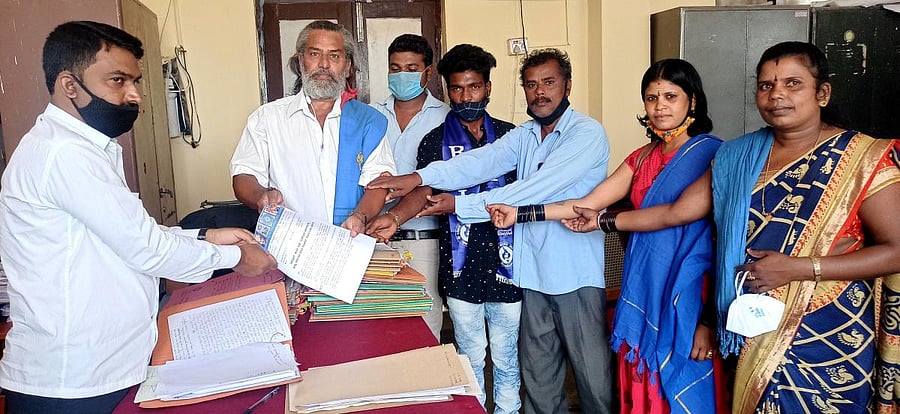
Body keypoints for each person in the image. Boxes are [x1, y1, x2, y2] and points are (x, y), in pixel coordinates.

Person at [591, 42, 900, 413]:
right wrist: (598, 220)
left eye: (793, 83)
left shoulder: (863, 158)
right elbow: (691, 224)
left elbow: (896, 250)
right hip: (748, 325)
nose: (777, 95)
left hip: (828, 333)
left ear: (822, 93)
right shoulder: (736, 156)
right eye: (766, 85)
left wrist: (801, 267)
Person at [0, 21, 277, 413]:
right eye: (117, 81)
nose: (135, 96)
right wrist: (237, 258)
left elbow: (129, 234)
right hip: (72, 381)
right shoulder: (63, 154)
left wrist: (208, 238)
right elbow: (147, 249)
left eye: (136, 81)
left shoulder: (89, 149)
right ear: (69, 85)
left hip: (107, 364)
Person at [368, 48, 613, 413]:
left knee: (591, 379)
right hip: (530, 274)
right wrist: (419, 177)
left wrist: (459, 205)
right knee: (540, 377)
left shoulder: (586, 133)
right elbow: (480, 162)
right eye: (531, 85)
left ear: (568, 86)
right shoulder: (526, 135)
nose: (539, 92)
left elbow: (533, 190)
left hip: (571, 274)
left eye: (548, 82)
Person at [488, 59, 728, 413]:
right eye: (651, 97)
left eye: (670, 97)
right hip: (645, 279)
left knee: (682, 372)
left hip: (689, 286)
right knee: (642, 373)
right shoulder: (642, 157)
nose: (660, 106)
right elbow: (587, 203)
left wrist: (605, 222)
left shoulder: (713, 154)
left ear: (692, 101)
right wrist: (520, 213)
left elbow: (673, 215)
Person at [367, 44, 521, 413]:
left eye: (474, 87)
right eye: (456, 89)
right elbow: (423, 190)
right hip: (460, 265)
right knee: (468, 351)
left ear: (488, 87)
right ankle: (474, 407)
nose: (466, 96)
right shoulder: (434, 141)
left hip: (509, 264)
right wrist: (396, 217)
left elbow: (525, 194)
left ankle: (508, 408)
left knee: (506, 353)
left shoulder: (514, 136)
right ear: (446, 90)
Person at [231, 20, 395, 235]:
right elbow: (244, 175)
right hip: (285, 245)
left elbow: (379, 184)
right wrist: (262, 195)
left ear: (347, 67)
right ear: (301, 61)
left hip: (350, 241)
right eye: (315, 54)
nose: (324, 64)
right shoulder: (267, 118)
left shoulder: (368, 121)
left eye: (334, 56)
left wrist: (359, 216)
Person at [370, 34, 450, 340]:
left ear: (428, 72)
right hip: (375, 240)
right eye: (395, 67)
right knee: (380, 326)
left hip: (424, 239)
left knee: (424, 326)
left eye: (411, 67)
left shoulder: (446, 117)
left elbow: (444, 179)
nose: (402, 75)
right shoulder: (372, 116)